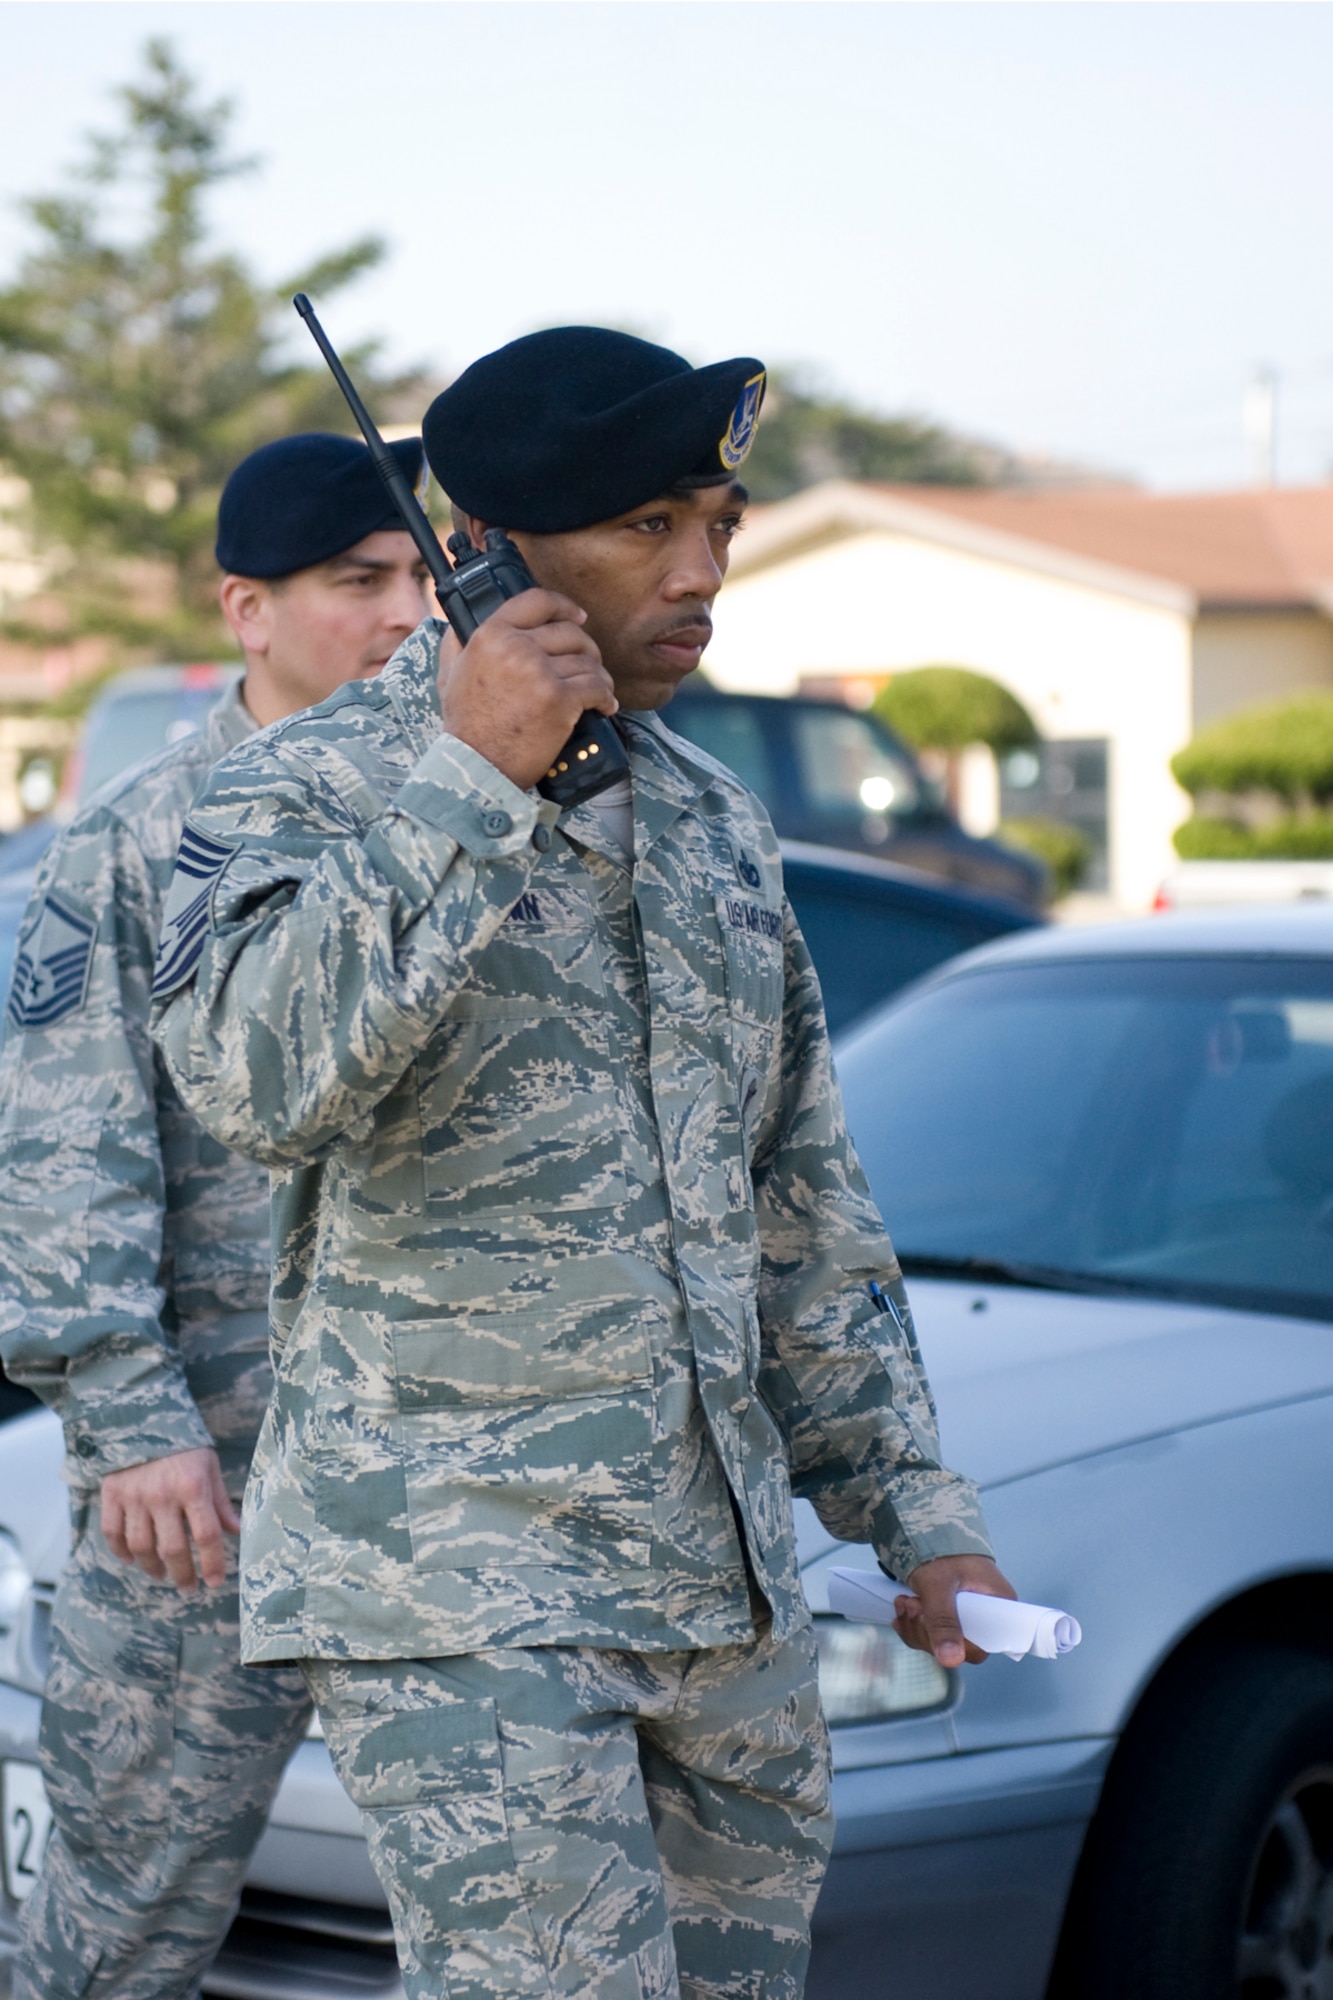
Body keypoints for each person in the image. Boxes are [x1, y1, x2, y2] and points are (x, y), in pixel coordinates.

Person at [150, 328, 1014, 2000]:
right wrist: (474, 775)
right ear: (487, 557)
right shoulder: (297, 794)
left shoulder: (708, 816)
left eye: (720, 525)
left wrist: (919, 1517)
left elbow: (802, 1204)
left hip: (723, 1592)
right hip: (460, 1584)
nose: (700, 575)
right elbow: (257, 1083)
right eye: (647, 531)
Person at [0, 430, 431, 2000]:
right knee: (121, 1929)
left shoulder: (473, 810)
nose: (405, 615)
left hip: (440, 1481)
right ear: (247, 611)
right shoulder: (132, 841)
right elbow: (61, 1151)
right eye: (356, 582)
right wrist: (129, 1421)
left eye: (417, 575)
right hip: (209, 1491)